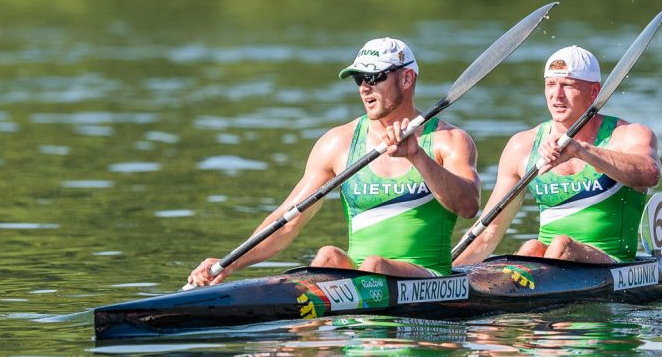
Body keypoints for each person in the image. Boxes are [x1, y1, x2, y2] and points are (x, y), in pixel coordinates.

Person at [189, 37, 480, 286]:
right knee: (329, 256)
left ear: (406, 78)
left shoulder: (448, 140)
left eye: (374, 77)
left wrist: (417, 155)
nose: (364, 88)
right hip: (364, 278)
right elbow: (288, 221)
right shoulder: (337, 144)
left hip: (431, 279)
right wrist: (230, 263)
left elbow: (468, 206)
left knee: (375, 266)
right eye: (358, 79)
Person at [452, 45, 659, 266]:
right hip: (550, 264)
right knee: (531, 247)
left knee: (562, 244)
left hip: (612, 263)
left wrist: (581, 151)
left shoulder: (626, 135)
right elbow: (488, 231)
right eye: (550, 84)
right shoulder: (522, 146)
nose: (556, 95)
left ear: (594, 92)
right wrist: (442, 275)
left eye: (567, 85)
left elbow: (649, 174)